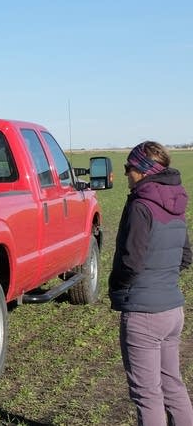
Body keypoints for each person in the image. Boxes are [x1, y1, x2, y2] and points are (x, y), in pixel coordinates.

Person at [109, 141, 193, 425]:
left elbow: (130, 261)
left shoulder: (141, 204)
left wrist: (119, 287)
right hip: (173, 311)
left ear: (142, 170)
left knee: (148, 396)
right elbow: (186, 256)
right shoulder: (176, 200)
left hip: (144, 314)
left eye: (128, 168)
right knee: (173, 387)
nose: (126, 174)